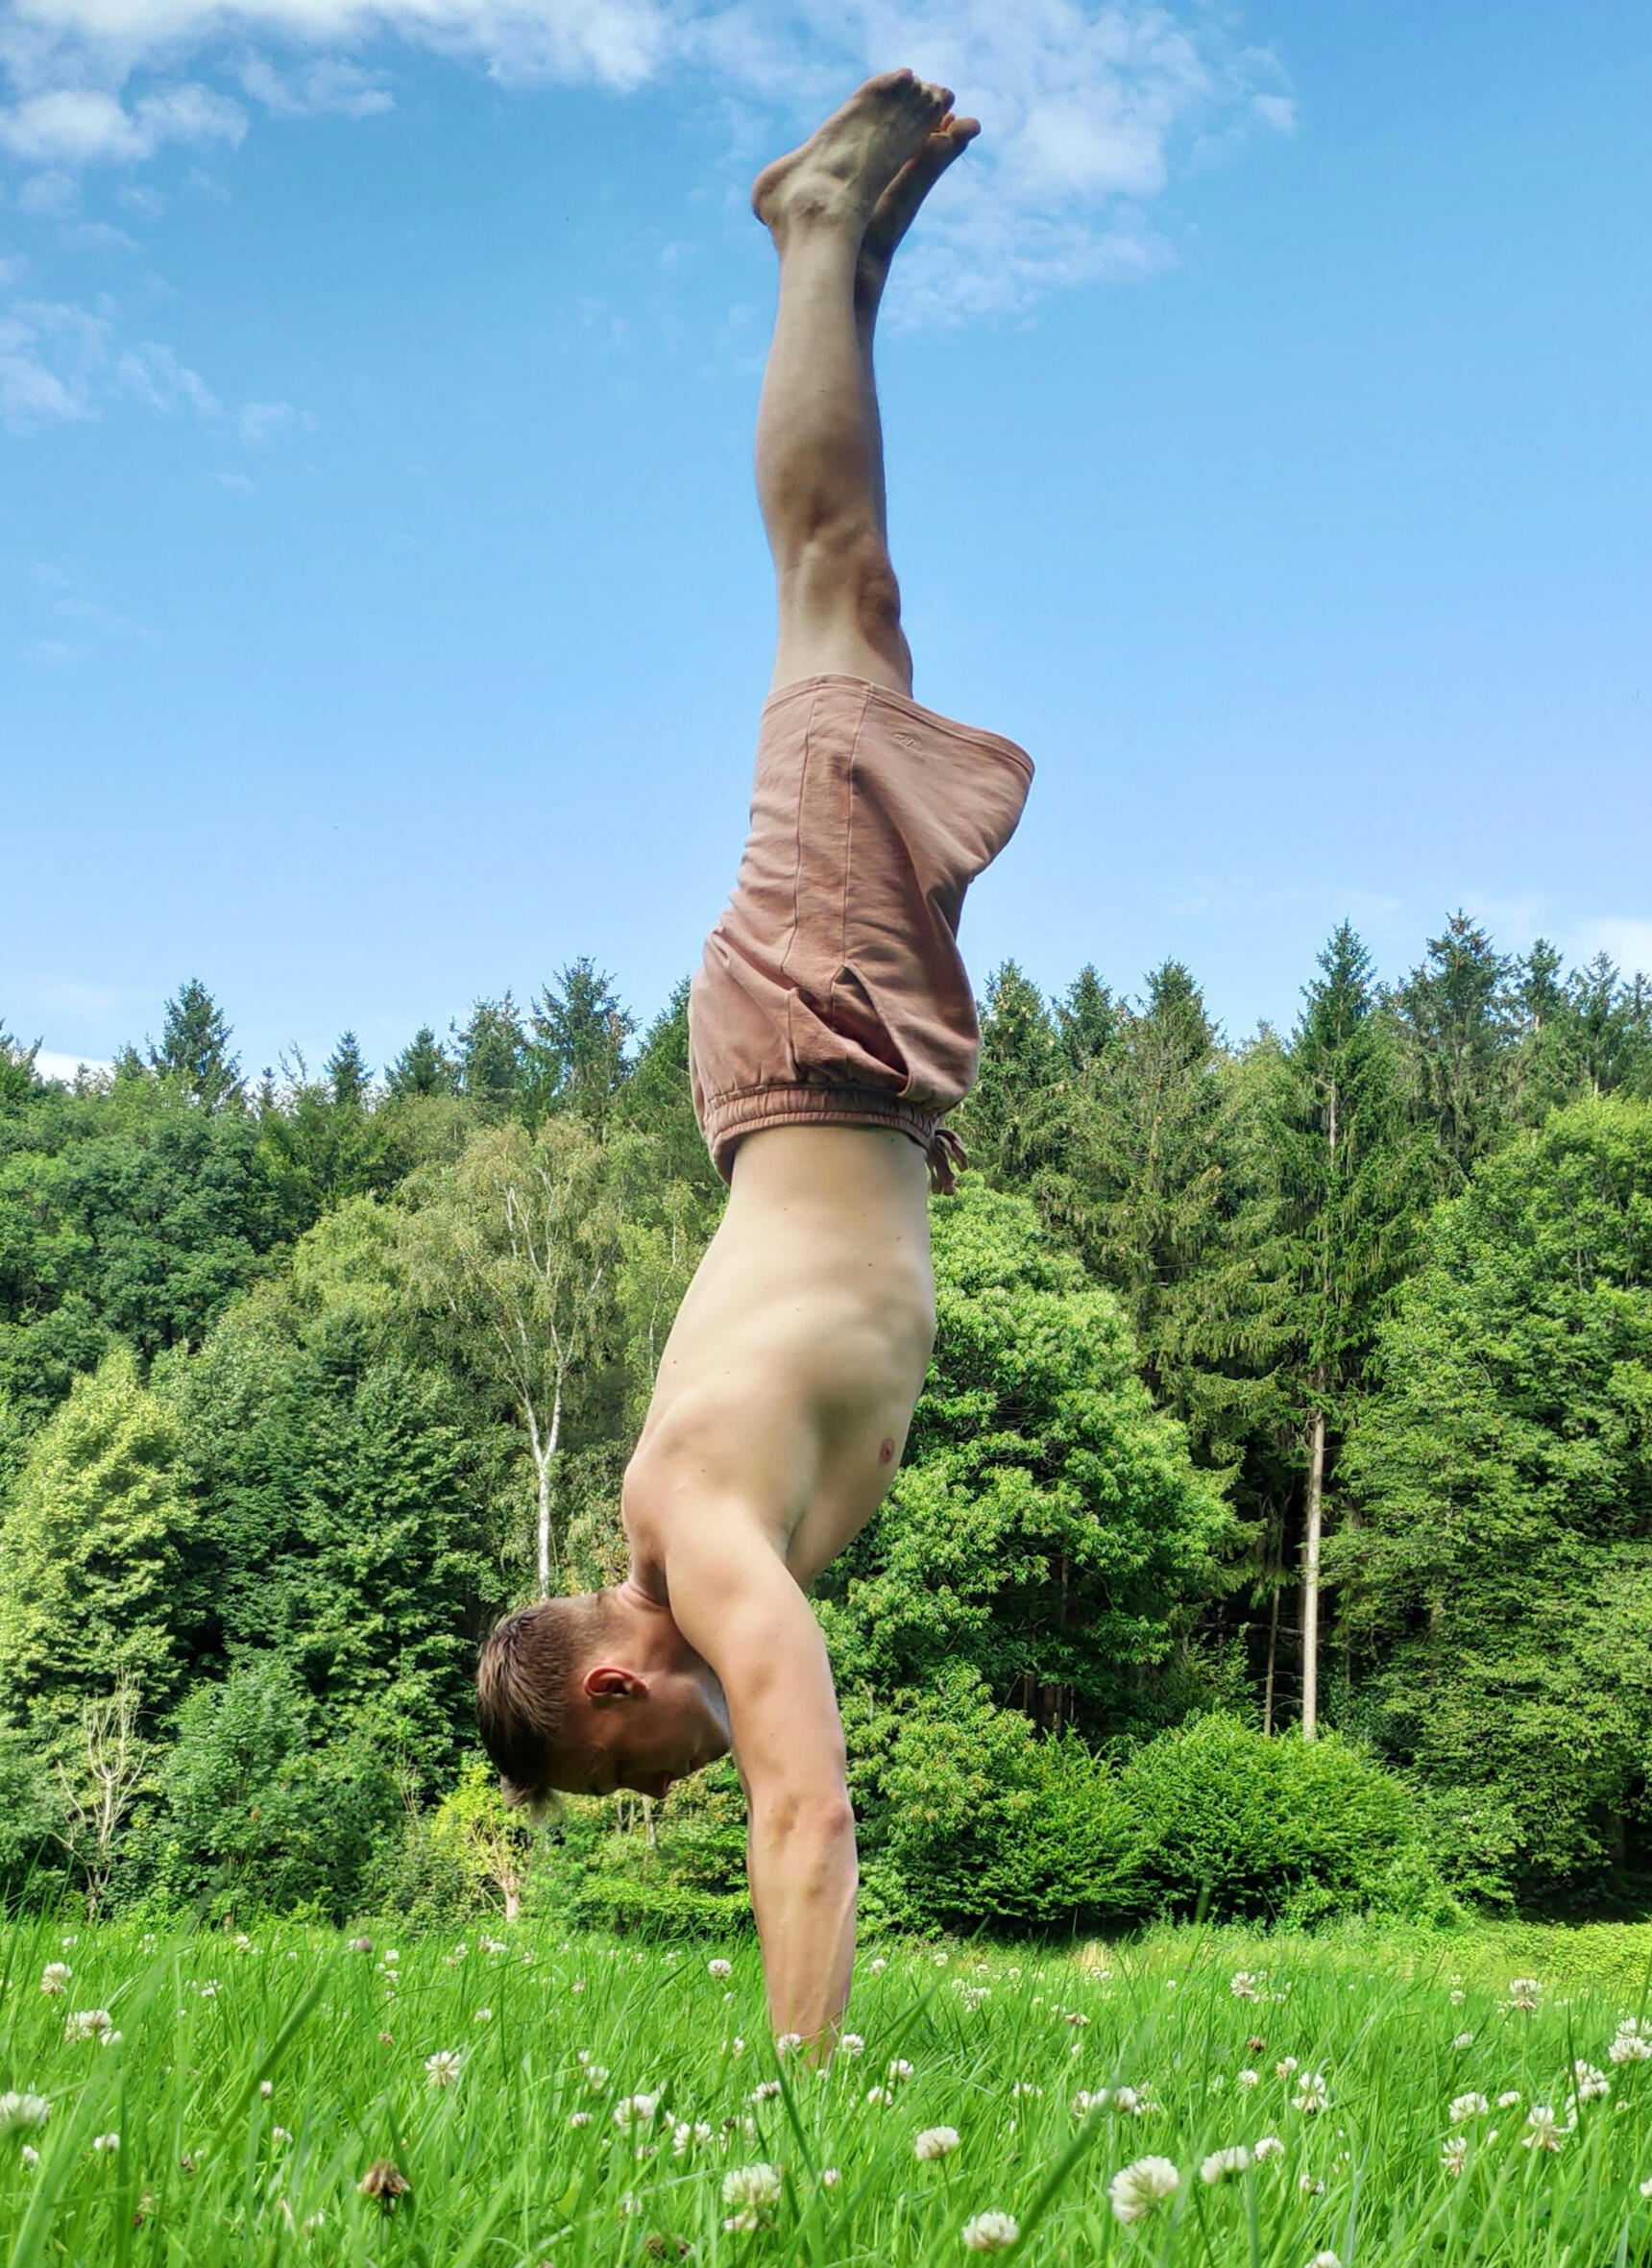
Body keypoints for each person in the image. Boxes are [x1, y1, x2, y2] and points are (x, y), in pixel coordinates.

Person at [476, 68, 1032, 2045]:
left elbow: (807, 1808)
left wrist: (800, 2109)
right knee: (857, 601)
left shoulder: (705, 1535)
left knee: (830, 590)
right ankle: (846, 261)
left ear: (612, 1685)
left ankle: (811, 233)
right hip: (837, 1056)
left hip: (812, 1021)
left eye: (632, 1777)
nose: (666, 1793)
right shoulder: (692, 1517)